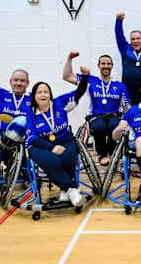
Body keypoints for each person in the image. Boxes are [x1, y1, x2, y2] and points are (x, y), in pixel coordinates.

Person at [25, 77, 89, 207]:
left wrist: (85, 76)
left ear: (50, 95)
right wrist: (52, 148)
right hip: (40, 145)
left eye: (46, 92)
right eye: (39, 92)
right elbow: (32, 137)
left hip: (64, 139)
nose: (43, 94)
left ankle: (64, 190)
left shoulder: (59, 103)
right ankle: (71, 190)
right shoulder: (30, 112)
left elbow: (79, 92)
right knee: (52, 161)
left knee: (67, 157)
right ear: (34, 96)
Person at [62, 50, 131, 166]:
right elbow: (67, 76)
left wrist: (129, 121)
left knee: (114, 126)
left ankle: (111, 153)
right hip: (95, 116)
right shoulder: (91, 81)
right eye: (103, 63)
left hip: (114, 116)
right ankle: (102, 154)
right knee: (99, 127)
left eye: (108, 64)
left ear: (112, 66)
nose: (106, 66)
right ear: (98, 66)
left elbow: (126, 106)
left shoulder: (120, 86)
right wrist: (69, 58)